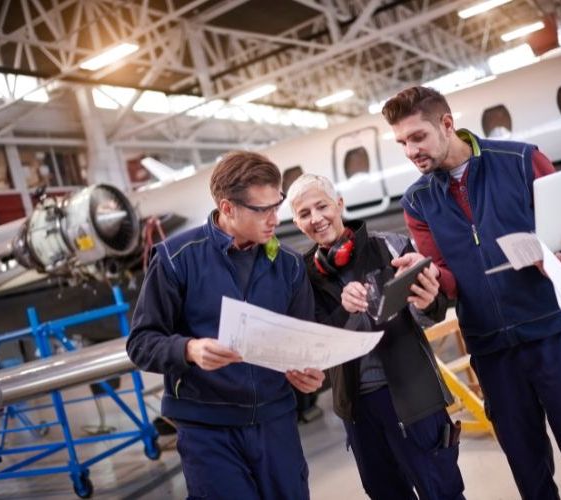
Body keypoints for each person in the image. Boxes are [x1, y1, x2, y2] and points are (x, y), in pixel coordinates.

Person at [381, 86, 561, 500]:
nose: (410, 150)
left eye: (417, 137)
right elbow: (445, 275)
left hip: (555, 335)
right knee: (530, 478)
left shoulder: (519, 160)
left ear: (447, 124)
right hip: (493, 354)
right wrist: (424, 283)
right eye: (402, 142)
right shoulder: (418, 202)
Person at [127, 151, 325, 500]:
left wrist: (312, 373)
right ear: (228, 208)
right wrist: (188, 349)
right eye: (261, 210)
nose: (274, 218)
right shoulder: (176, 259)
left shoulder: (290, 265)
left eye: (276, 205)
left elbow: (303, 341)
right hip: (207, 429)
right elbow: (141, 342)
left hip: (275, 423)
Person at [289, 173, 465, 500]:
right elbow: (312, 342)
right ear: (297, 223)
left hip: (414, 394)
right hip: (357, 409)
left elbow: (437, 306)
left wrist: (428, 301)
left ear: (339, 204)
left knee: (442, 491)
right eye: (304, 214)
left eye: (321, 206)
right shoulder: (302, 278)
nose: (316, 218)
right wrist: (342, 310)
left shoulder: (389, 246)